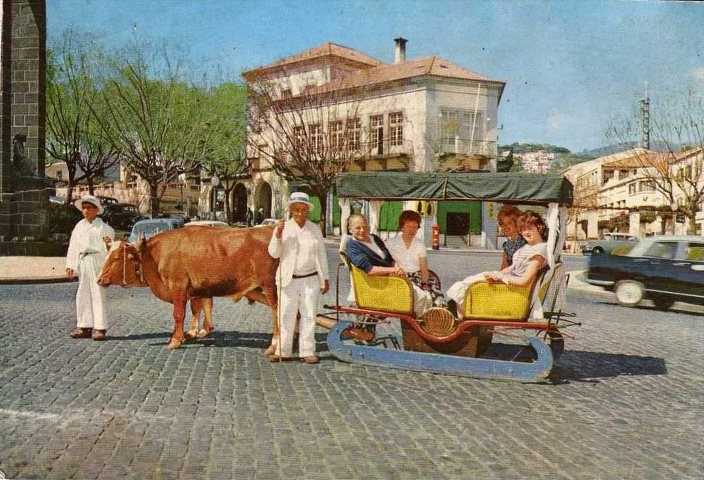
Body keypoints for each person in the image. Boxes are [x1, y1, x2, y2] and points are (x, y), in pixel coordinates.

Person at [446, 210, 548, 316]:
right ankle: (454, 315)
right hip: (508, 285)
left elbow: (524, 281)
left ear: (539, 227)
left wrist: (501, 277)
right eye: (523, 229)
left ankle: (455, 318)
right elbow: (511, 267)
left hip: (514, 292)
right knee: (466, 285)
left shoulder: (539, 250)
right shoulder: (528, 247)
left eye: (529, 228)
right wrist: (497, 275)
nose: (526, 232)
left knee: (466, 288)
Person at [267, 192, 329, 364]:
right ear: (291, 211)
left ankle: (307, 351)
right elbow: (274, 253)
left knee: (309, 315)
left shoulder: (315, 229)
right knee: (286, 314)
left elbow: (322, 254)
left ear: (308, 210)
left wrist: (325, 278)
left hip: (311, 279)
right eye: (296, 210)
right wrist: (278, 235)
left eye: (303, 209)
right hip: (288, 279)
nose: (300, 213)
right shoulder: (283, 227)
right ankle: (283, 350)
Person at [346, 214, 432, 316]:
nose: (362, 230)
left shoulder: (374, 238)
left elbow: (390, 259)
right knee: (422, 297)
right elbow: (370, 270)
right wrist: (393, 270)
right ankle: (420, 325)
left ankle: (417, 326)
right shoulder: (353, 246)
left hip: (392, 279)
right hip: (377, 283)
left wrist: (397, 267)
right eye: (358, 228)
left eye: (365, 227)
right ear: (350, 229)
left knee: (425, 296)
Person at [66, 195, 115, 341]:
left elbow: (111, 249)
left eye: (89, 208)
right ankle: (84, 325)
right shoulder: (79, 226)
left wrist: (108, 267)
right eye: (84, 208)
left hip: (97, 260)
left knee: (98, 293)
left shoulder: (104, 228)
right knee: (83, 293)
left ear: (96, 210)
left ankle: (100, 327)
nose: (86, 211)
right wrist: (70, 265)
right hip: (83, 261)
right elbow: (73, 246)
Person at [497, 205, 527, 269]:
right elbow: (503, 266)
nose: (505, 227)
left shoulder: (525, 242)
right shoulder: (507, 244)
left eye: (509, 223)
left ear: (517, 223)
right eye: (502, 224)